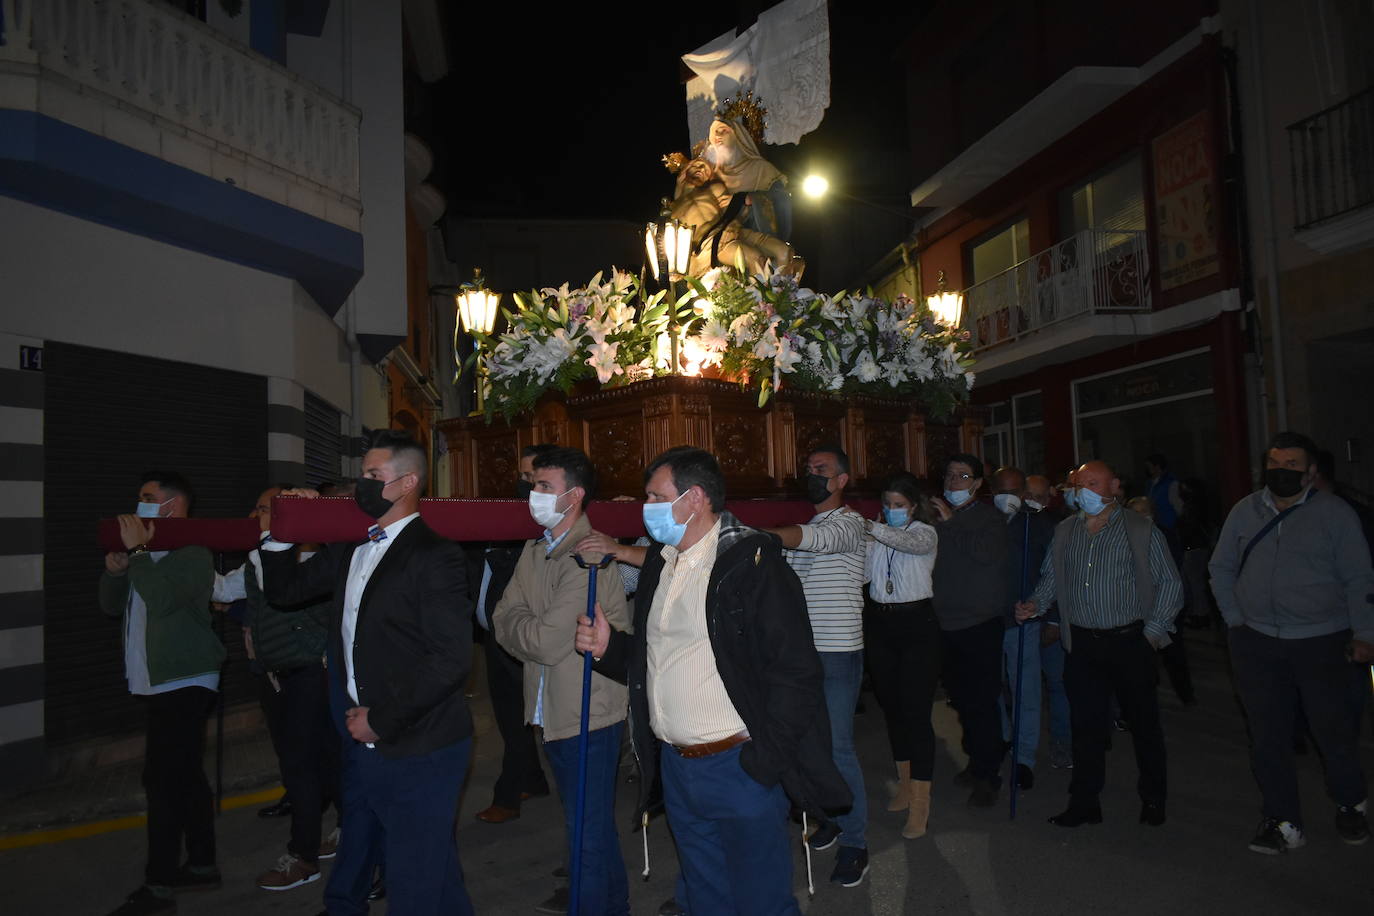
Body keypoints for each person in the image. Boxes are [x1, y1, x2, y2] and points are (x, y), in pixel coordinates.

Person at [576, 446, 849, 915]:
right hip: (678, 767)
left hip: (738, 765)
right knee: (705, 895)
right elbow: (660, 656)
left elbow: (796, 673)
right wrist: (610, 649)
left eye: (656, 496)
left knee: (760, 900)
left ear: (695, 498)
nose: (647, 508)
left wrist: (764, 763)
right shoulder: (663, 562)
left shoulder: (754, 565)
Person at [259, 431, 476, 916]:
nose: (363, 485)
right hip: (364, 735)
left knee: (413, 878)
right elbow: (285, 592)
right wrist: (279, 531)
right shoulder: (351, 548)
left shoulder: (433, 554)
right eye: (362, 476)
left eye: (373, 477)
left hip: (419, 740)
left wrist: (383, 719)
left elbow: (450, 659)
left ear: (407, 483)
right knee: (433, 871)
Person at [1209, 431, 1374, 853]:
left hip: (1322, 641)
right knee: (1267, 736)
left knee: (1332, 732)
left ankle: (1350, 803)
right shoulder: (1245, 511)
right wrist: (1236, 621)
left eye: (1291, 466)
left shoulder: (1335, 515)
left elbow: (1359, 578)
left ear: (1311, 472)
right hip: (1258, 642)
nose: (1280, 473)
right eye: (1275, 464)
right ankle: (1282, 820)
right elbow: (1221, 566)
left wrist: (1365, 633)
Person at [493, 447, 631, 916]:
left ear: (574, 496)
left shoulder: (586, 557)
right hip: (552, 710)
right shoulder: (537, 550)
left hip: (587, 714)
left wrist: (522, 625)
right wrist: (523, 625)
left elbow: (549, 642)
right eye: (534, 485)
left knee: (586, 836)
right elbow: (501, 617)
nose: (534, 495)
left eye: (544, 487)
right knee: (590, 828)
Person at [1015, 460, 1183, 828]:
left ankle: (1153, 798)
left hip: (1130, 642)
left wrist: (1152, 635)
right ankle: (1085, 801)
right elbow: (1051, 579)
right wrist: (1035, 604)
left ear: (1115, 486)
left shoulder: (1140, 529)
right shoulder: (1065, 532)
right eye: (1078, 484)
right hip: (1083, 645)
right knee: (1086, 727)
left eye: (1093, 483)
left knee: (1144, 725)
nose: (1084, 491)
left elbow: (1170, 584)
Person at [99, 472, 225, 916]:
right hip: (155, 679)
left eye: (147, 498)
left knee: (163, 781)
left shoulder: (192, 553)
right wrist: (116, 571)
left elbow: (165, 601)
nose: (138, 504)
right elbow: (112, 606)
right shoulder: (145, 553)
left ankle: (159, 885)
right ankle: (203, 863)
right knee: (185, 773)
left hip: (185, 678)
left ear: (171, 507)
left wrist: (136, 555)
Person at [215, 486, 340, 891]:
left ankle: (303, 857)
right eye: (256, 506)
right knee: (315, 762)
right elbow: (221, 590)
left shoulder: (312, 560)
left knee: (304, 765)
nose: (257, 514)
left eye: (266, 508)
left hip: (309, 673)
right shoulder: (257, 558)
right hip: (277, 676)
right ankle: (349, 827)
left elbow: (284, 596)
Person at [762, 445, 869, 887]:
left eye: (821, 470)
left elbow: (816, 541)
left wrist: (761, 533)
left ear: (842, 480)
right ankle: (830, 817)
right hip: (802, 651)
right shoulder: (804, 528)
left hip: (838, 649)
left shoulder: (849, 523)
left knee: (839, 747)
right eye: (808, 469)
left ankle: (856, 842)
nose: (812, 474)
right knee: (808, 744)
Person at [472, 444, 555, 824]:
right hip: (493, 636)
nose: (526, 485)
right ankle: (532, 779)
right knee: (508, 716)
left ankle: (508, 794)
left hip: (524, 634)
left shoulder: (545, 523)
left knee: (526, 715)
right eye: (522, 477)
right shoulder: (501, 516)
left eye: (534, 478)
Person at [863, 472, 939, 839]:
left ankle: (922, 803)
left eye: (899, 505)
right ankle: (906, 786)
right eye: (887, 505)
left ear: (913, 506)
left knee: (916, 712)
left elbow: (909, 545)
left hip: (916, 626)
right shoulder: (877, 536)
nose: (891, 511)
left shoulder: (925, 532)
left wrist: (870, 528)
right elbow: (863, 573)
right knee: (892, 708)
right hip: (881, 625)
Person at [930, 453, 1008, 808]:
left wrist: (951, 524)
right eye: (948, 475)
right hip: (946, 624)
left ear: (978, 483)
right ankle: (976, 761)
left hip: (979, 624)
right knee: (961, 701)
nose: (953, 483)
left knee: (981, 703)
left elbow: (985, 554)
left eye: (962, 477)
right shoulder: (943, 520)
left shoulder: (989, 518)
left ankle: (988, 775)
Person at [991, 466, 1054, 791]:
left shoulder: (1038, 523)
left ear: (1024, 494)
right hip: (988, 620)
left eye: (1014, 491)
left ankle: (1024, 757)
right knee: (991, 688)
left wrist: (1046, 612)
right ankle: (1003, 737)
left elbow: (1053, 571)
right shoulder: (985, 520)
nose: (1007, 496)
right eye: (1001, 489)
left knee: (1025, 691)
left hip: (1023, 620)